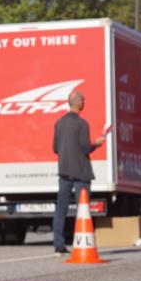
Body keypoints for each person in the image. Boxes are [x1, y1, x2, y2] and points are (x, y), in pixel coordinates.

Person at [52, 90, 107, 254]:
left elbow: (55, 148)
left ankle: (59, 245)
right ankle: (82, 243)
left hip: (64, 172)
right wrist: (97, 143)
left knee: (61, 209)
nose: (84, 102)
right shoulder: (82, 124)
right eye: (83, 100)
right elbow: (85, 148)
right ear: (78, 102)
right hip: (81, 173)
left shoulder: (59, 123)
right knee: (83, 210)